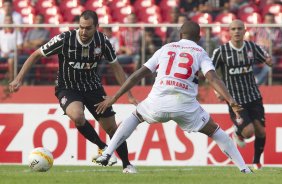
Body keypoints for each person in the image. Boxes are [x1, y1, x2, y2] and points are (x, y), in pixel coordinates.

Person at [94, 21, 252, 174]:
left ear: (180, 34)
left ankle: (107, 153)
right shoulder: (200, 52)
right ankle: (244, 169)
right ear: (198, 38)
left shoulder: (165, 48)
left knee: (135, 116)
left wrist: (114, 97)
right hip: (185, 106)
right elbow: (212, 78)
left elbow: (137, 75)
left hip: (157, 102)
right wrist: (231, 101)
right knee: (216, 132)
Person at [9, 10, 138, 174]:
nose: (84, 32)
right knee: (77, 116)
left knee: (112, 128)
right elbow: (36, 54)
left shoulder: (103, 42)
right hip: (68, 87)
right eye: (81, 27)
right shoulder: (65, 39)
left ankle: (127, 165)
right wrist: (18, 78)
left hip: (93, 87)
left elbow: (117, 68)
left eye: (88, 28)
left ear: (96, 27)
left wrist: (130, 95)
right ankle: (103, 147)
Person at [211, 20, 273, 170]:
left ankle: (256, 161)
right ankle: (238, 132)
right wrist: (217, 92)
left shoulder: (252, 47)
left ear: (245, 31)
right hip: (234, 99)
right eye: (233, 29)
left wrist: (269, 61)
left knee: (261, 129)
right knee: (248, 131)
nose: (237, 31)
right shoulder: (221, 51)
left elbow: (266, 58)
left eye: (240, 29)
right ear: (229, 31)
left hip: (254, 96)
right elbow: (210, 73)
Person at [249, 13, 282, 85]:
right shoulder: (258, 27)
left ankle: (256, 83)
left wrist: (270, 45)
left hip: (271, 55)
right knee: (246, 62)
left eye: (271, 20)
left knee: (269, 66)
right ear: (264, 20)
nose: (269, 22)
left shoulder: (278, 31)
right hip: (257, 53)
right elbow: (248, 35)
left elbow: (279, 46)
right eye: (267, 20)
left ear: (274, 20)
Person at [19, 14, 50, 85]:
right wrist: (35, 43)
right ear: (35, 21)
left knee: (32, 59)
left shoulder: (46, 32)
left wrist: (30, 42)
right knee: (20, 60)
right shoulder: (30, 31)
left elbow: (42, 42)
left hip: (40, 54)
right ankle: (25, 80)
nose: (38, 21)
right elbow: (25, 44)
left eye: (40, 20)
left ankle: (28, 81)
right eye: (37, 20)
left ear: (43, 21)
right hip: (28, 53)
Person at [0, 14, 23, 81]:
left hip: (13, 54)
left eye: (9, 20)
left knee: (11, 60)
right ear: (4, 22)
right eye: (6, 20)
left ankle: (11, 81)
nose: (8, 22)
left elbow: (20, 47)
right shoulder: (0, 33)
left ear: (12, 21)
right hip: (2, 54)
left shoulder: (17, 33)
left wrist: (10, 52)